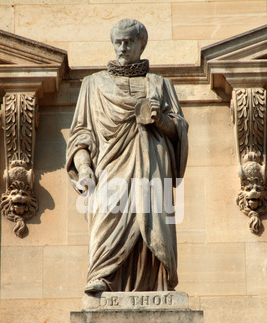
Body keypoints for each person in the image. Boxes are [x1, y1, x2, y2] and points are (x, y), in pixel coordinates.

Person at [66, 18, 188, 294]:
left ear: (140, 44)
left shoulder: (161, 84)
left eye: (128, 42)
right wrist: (85, 169)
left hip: (153, 165)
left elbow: (178, 130)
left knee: (152, 220)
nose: (122, 47)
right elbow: (81, 135)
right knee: (108, 214)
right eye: (118, 42)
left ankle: (155, 287)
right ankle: (102, 275)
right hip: (110, 166)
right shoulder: (93, 85)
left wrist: (160, 120)